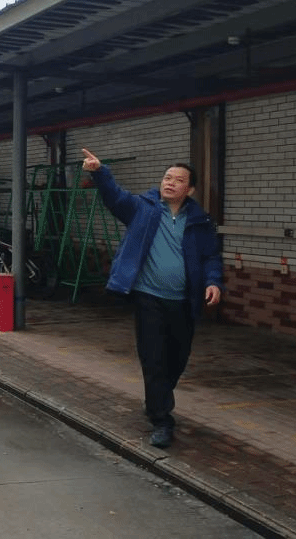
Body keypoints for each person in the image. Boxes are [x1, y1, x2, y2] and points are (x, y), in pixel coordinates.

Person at [81, 148, 224, 449]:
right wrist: (100, 172)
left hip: (183, 301)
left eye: (179, 180)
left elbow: (211, 256)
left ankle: (157, 398)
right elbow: (115, 197)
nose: (170, 183)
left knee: (177, 358)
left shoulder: (200, 221)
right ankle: (161, 419)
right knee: (154, 359)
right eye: (167, 177)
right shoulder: (142, 208)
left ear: (190, 189)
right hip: (149, 298)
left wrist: (213, 282)